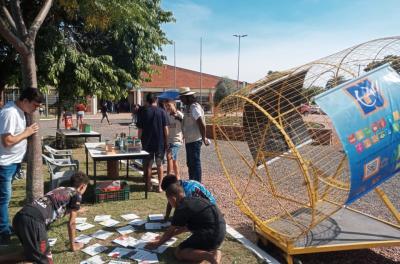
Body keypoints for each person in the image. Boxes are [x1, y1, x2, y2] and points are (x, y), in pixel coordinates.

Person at [0, 172, 89, 263]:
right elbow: (72, 223)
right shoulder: (77, 194)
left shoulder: (61, 189)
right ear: (82, 186)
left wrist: (77, 210)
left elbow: (54, 205)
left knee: (31, 254)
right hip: (33, 221)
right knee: (46, 261)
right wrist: (73, 246)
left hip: (20, 216)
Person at [0, 87, 43, 245]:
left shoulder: (20, 111)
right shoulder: (9, 112)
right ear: (25, 100)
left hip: (13, 162)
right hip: (4, 163)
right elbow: (7, 141)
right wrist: (27, 132)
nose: (34, 110)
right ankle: (3, 233)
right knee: (3, 199)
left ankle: (4, 227)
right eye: (34, 106)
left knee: (4, 199)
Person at [145, 183, 225, 264]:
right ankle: (215, 250)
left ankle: (209, 256)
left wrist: (157, 244)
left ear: (173, 199)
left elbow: (170, 231)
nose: (170, 204)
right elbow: (185, 228)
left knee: (179, 252)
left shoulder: (181, 207)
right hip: (221, 231)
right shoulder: (193, 200)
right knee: (195, 246)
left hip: (210, 235)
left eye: (169, 201)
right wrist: (163, 238)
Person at [136, 93, 169, 192]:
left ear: (147, 101)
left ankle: (149, 185)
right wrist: (167, 142)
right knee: (160, 165)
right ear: (156, 100)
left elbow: (140, 129)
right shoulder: (162, 112)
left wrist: (139, 140)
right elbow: (166, 129)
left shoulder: (143, 112)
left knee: (148, 165)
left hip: (147, 142)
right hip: (160, 143)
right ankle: (160, 187)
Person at [179, 87, 209, 182]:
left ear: (188, 97)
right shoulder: (188, 107)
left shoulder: (194, 107)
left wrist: (204, 138)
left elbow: (201, 123)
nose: (181, 100)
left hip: (195, 140)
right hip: (190, 140)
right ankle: (192, 182)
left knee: (195, 163)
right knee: (190, 163)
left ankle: (196, 184)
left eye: (182, 97)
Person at [164, 100, 184, 179]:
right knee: (174, 160)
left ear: (174, 105)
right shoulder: (167, 115)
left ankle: (168, 178)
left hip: (176, 140)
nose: (167, 107)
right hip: (169, 141)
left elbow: (185, 125)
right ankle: (177, 177)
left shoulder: (180, 114)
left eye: (169, 105)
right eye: (166, 106)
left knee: (169, 157)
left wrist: (178, 118)